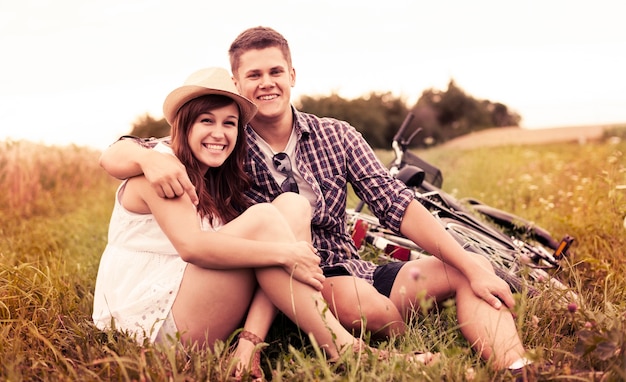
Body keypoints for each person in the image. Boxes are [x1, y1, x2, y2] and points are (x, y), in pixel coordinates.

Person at [99, 27, 530, 372]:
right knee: (374, 310)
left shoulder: (325, 135)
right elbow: (131, 151)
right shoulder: (219, 145)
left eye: (275, 72)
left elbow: (394, 201)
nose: (266, 83)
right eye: (253, 75)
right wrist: (145, 156)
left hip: (350, 266)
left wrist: (471, 263)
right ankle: (356, 344)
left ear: (292, 75)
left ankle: (516, 365)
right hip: (309, 283)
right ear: (237, 84)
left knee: (467, 266)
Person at [93, 67, 434, 381]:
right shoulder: (163, 171)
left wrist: (280, 255)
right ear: (184, 125)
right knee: (265, 223)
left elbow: (254, 259)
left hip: (188, 302)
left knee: (292, 205)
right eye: (206, 121)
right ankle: (343, 346)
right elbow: (192, 248)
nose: (219, 133)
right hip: (157, 328)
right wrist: (285, 254)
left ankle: (249, 344)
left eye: (229, 123)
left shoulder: (217, 178)